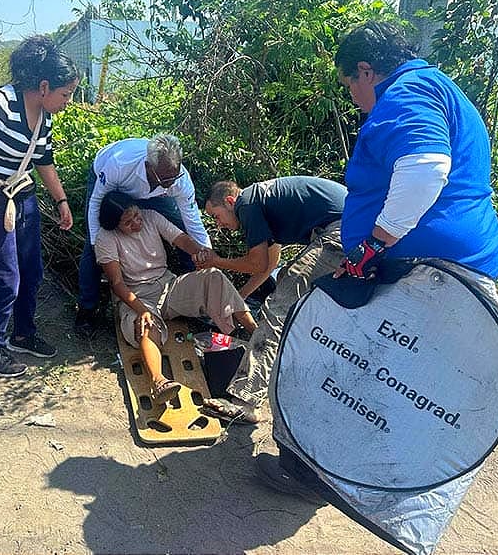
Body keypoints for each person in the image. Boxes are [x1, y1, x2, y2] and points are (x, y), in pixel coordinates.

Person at [255, 21, 498, 501]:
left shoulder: (407, 92)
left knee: (340, 359)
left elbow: (425, 169)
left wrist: (372, 245)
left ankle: (312, 475)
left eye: (349, 83)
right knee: (402, 380)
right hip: (449, 266)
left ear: (367, 71)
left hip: (425, 271)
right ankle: (359, 481)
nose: (352, 96)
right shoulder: (439, 87)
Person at [0, 36, 79, 377]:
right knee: (6, 276)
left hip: (22, 192)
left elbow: (43, 159)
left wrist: (61, 200)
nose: (67, 102)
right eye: (65, 94)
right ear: (44, 86)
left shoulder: (45, 116)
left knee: (31, 270)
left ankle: (22, 334)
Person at [200, 177, 346, 424]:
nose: (218, 224)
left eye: (216, 216)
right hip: (353, 230)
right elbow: (269, 265)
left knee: (277, 310)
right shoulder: (266, 202)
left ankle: (246, 402)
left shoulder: (247, 203)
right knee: (293, 291)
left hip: (339, 233)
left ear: (230, 201)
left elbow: (257, 263)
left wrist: (216, 261)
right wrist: (240, 297)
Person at [95, 191, 256, 403]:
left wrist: (199, 252)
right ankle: (159, 382)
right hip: (136, 295)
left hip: (167, 285)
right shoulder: (106, 238)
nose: (136, 223)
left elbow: (182, 239)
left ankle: (256, 333)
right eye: (127, 223)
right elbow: (117, 284)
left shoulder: (151, 216)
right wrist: (142, 311)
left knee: (213, 277)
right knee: (145, 326)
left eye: (136, 215)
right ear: (115, 226)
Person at [75, 135, 212, 336]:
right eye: (166, 178)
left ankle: (193, 296)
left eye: (174, 177)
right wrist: (97, 243)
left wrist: (206, 253)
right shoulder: (119, 164)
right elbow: (96, 202)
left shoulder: (177, 180)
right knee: (94, 245)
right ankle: (87, 309)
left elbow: (193, 222)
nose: (170, 183)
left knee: (182, 230)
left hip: (155, 194)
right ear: (148, 166)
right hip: (115, 188)